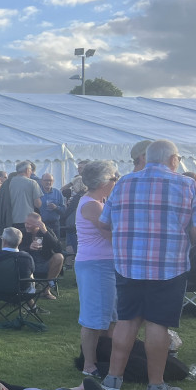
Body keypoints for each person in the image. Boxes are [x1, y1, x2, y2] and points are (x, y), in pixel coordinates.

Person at [99, 139, 196, 390]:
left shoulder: (123, 182)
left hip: (128, 265)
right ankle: (156, 386)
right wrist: (187, 239)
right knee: (158, 325)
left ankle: (113, 379)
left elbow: (104, 223)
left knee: (127, 321)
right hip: (168, 267)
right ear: (173, 159)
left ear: (147, 158)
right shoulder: (187, 184)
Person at [75, 161, 120, 377]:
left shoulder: (98, 201)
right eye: (114, 178)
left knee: (109, 317)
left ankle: (105, 358)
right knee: (93, 318)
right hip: (96, 265)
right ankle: (89, 365)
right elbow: (110, 234)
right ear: (103, 181)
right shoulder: (92, 205)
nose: (116, 181)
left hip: (102, 264)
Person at [19, 212, 64, 299]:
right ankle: (27, 290)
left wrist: (45, 232)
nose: (26, 226)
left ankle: (46, 290)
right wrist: (29, 247)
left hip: (45, 262)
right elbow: (15, 249)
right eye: (26, 223)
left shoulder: (46, 231)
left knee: (59, 257)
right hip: (28, 264)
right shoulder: (21, 232)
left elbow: (58, 249)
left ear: (37, 224)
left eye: (29, 224)